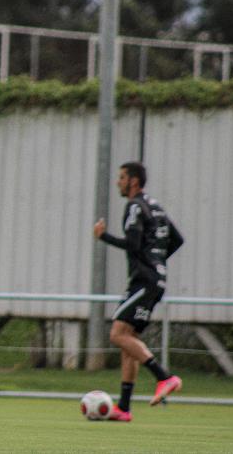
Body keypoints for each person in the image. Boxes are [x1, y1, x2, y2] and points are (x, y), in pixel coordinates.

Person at [93, 161, 184, 422]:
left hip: (143, 280)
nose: (118, 182)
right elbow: (177, 240)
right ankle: (123, 407)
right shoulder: (155, 206)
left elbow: (133, 244)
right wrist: (157, 260)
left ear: (133, 181)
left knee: (118, 334)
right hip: (156, 278)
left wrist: (103, 237)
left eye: (121, 177)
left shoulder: (134, 206)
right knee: (128, 342)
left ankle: (164, 377)